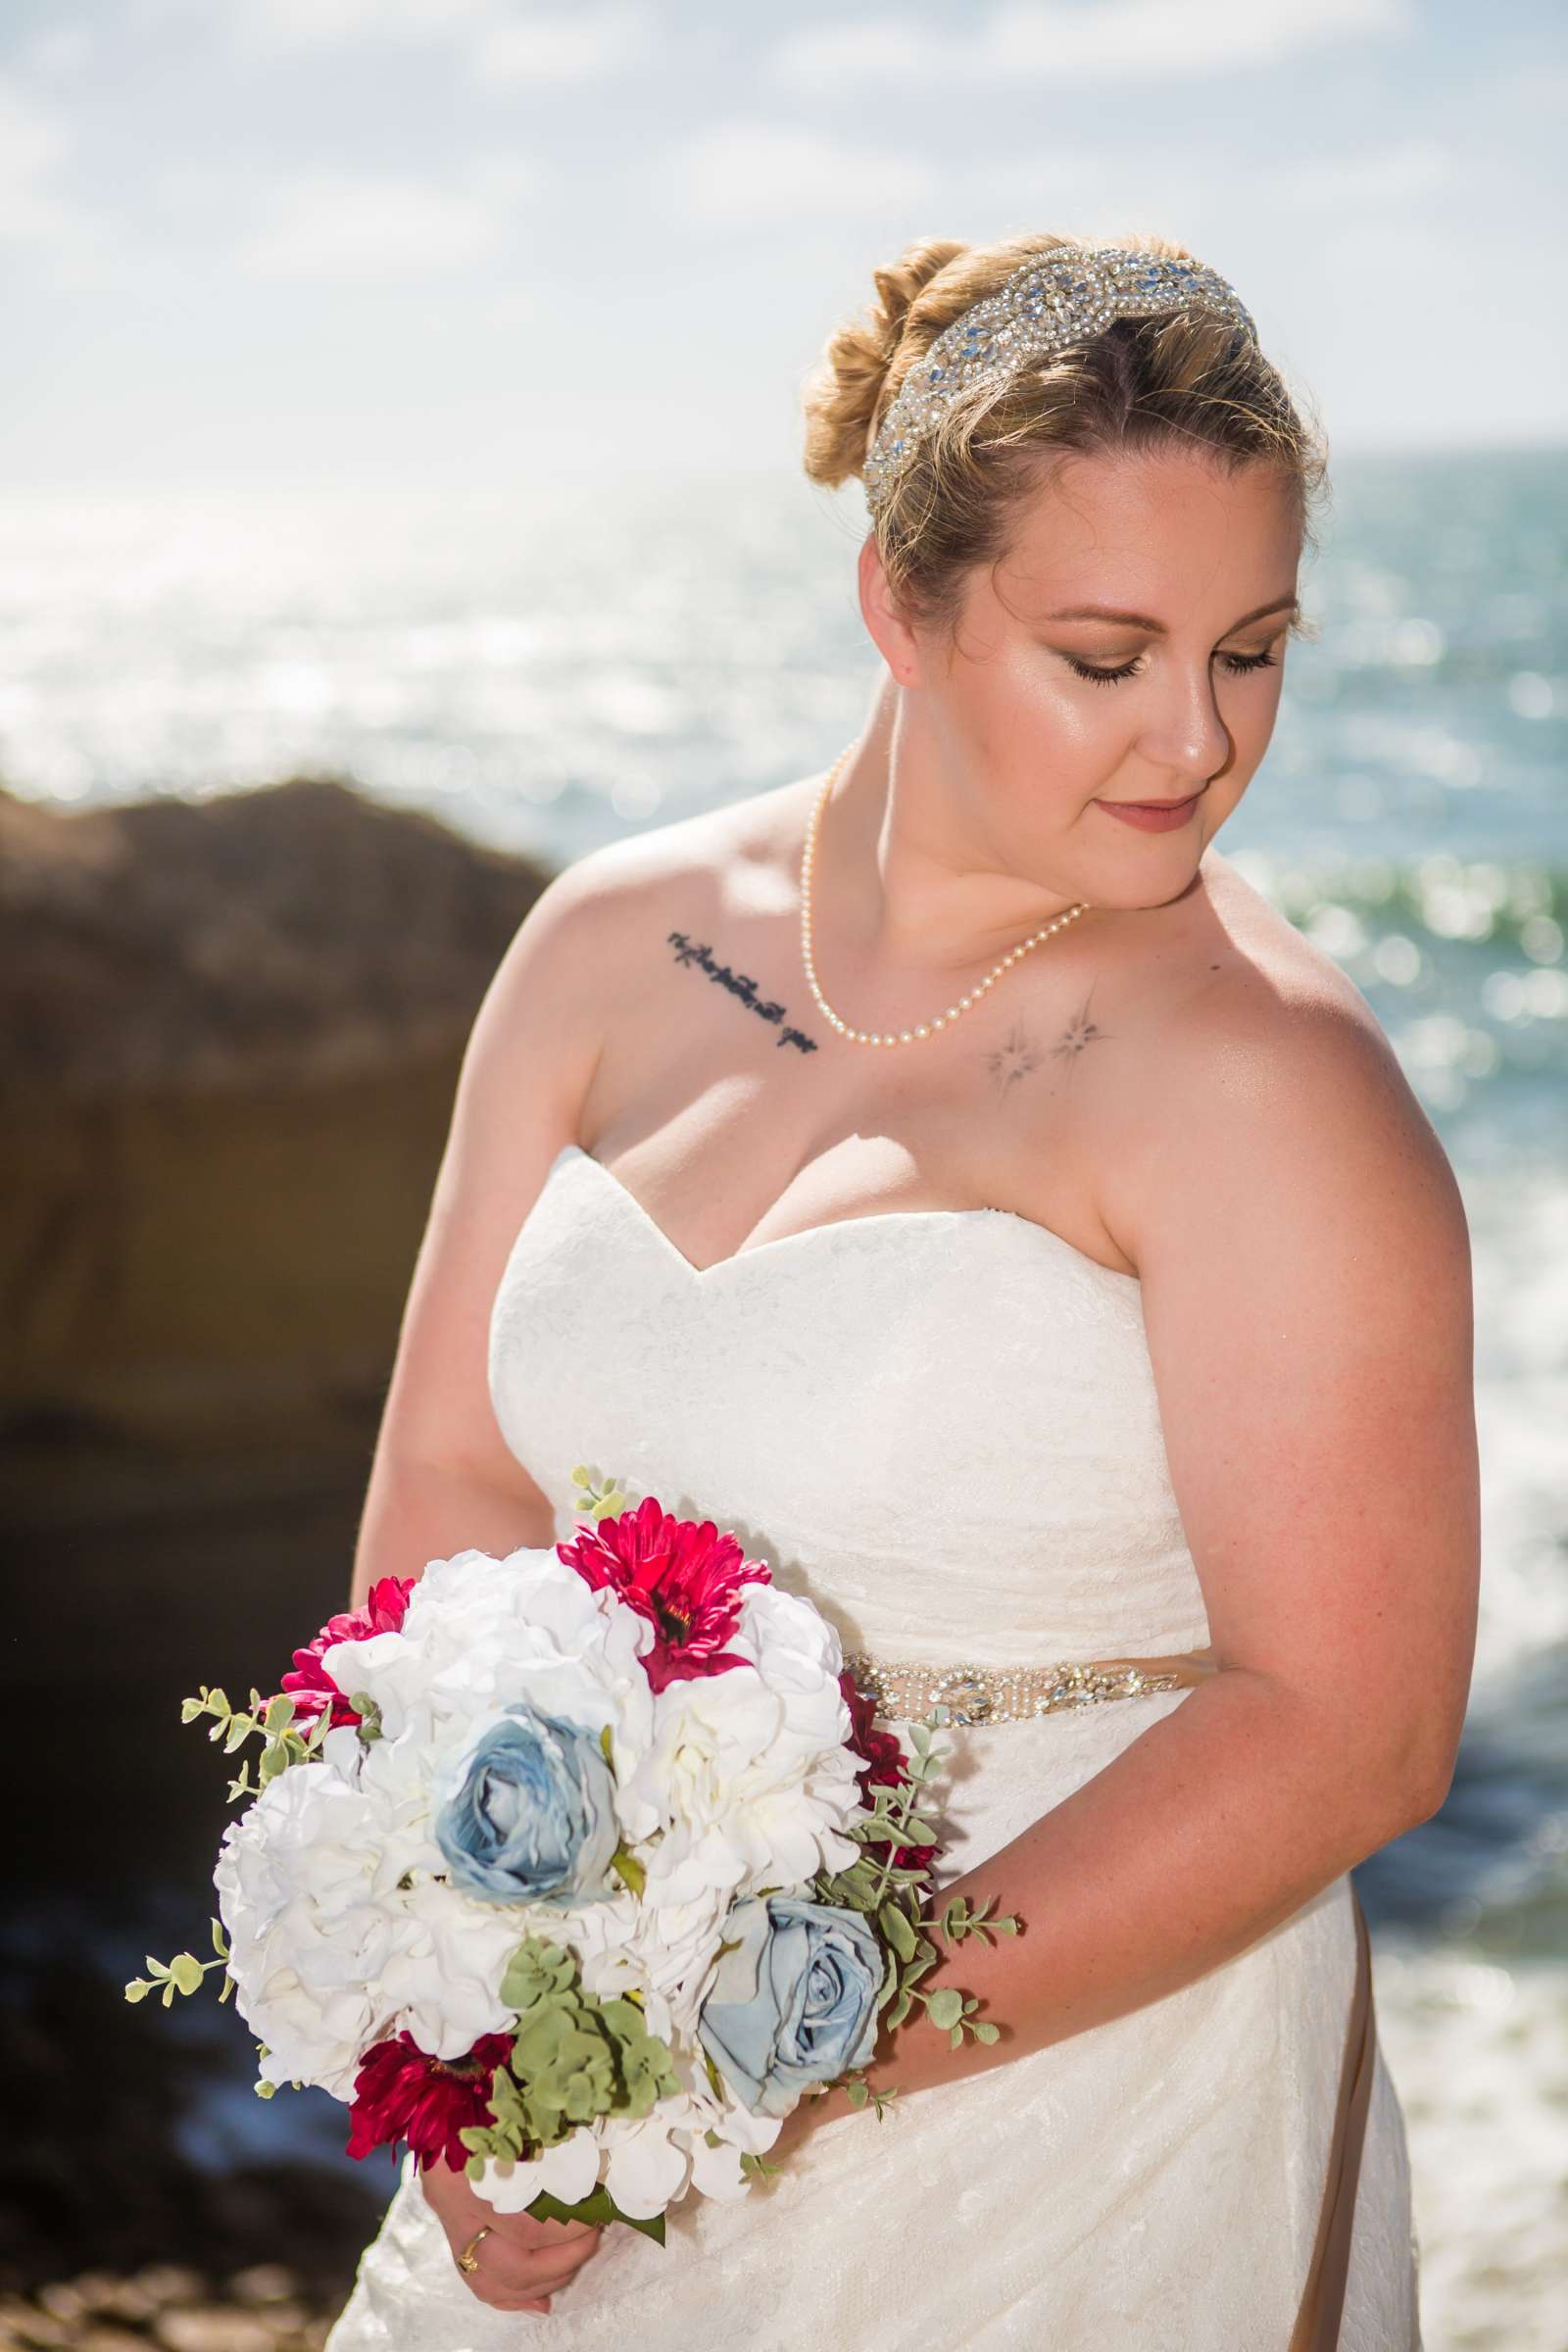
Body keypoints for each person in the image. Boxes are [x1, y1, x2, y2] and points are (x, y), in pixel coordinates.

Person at [323, 231, 1478, 2348]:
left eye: (1253, 647)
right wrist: (465, 2038)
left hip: (1066, 2138)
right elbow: (453, 1481)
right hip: (580, 2085)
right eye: (1104, 653)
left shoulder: (1269, 1084)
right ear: (901, 603)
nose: (1196, 739)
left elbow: (1349, 1730)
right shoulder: (607, 944)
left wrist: (757, 2058)